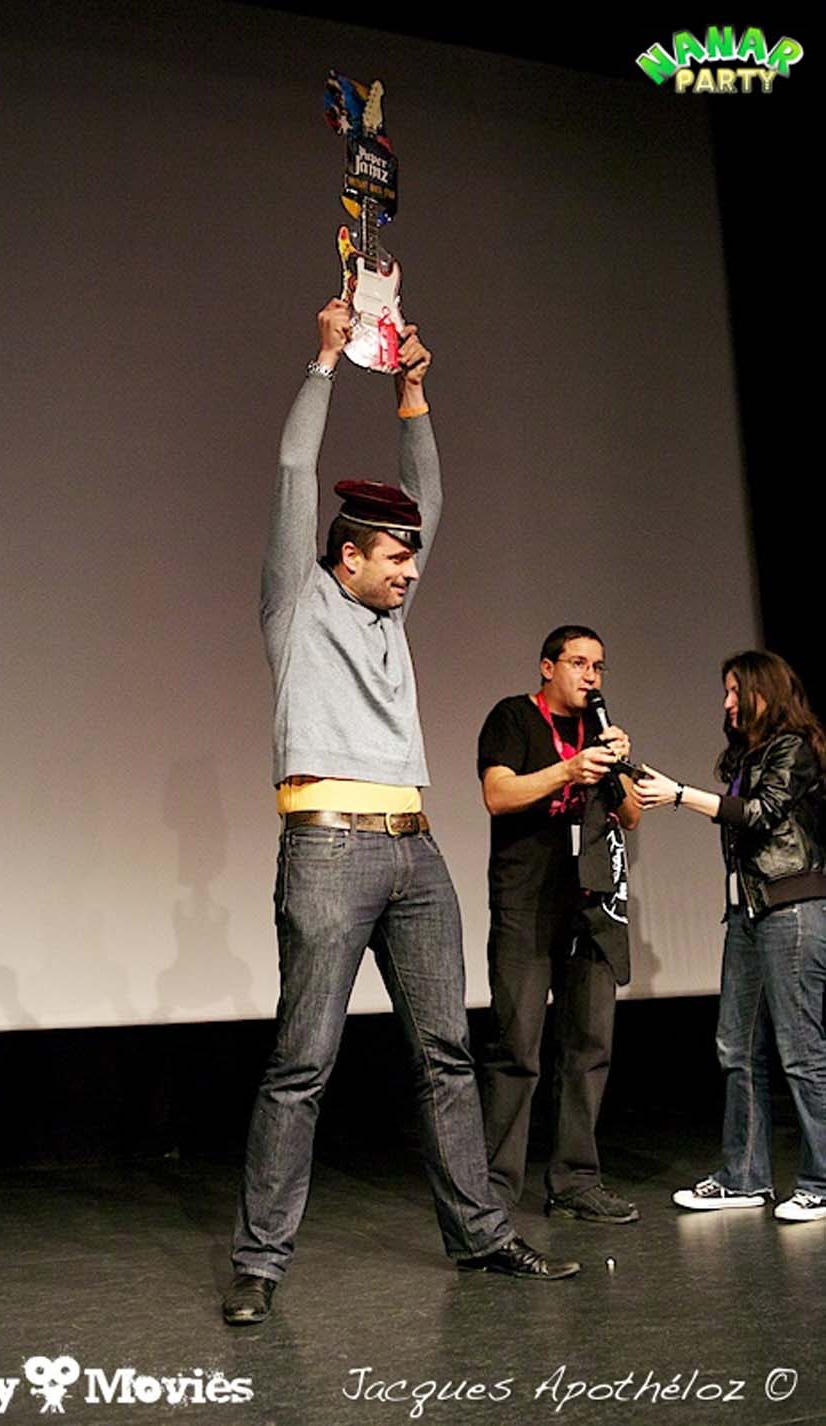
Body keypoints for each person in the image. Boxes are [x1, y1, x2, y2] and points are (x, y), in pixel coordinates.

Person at [222, 302, 580, 1326]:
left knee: (446, 1055)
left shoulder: (390, 615)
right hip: (328, 851)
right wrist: (327, 361)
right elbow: (293, 471)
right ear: (347, 559)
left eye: (411, 559)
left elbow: (430, 499)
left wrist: (411, 392)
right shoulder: (297, 604)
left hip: (414, 856)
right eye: (394, 559)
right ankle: (259, 1262)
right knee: (302, 1064)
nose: (411, 571)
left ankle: (481, 1234)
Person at [635, 650, 826, 1221]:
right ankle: (744, 1178)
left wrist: (680, 795)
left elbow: (763, 814)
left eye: (736, 691)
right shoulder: (750, 754)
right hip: (747, 914)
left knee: (802, 1051)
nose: (727, 703)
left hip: (791, 908)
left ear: (765, 691)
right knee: (735, 1047)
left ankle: (821, 1180)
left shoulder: (794, 747)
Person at [477, 627, 641, 1223]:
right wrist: (568, 770)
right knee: (516, 1046)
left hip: (592, 902)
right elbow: (498, 795)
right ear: (548, 667)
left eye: (598, 666)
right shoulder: (513, 717)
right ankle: (494, 1189)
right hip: (528, 899)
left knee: (589, 1046)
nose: (590, 676)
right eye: (578, 663)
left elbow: (631, 815)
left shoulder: (600, 729)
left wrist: (617, 766)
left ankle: (575, 1180)